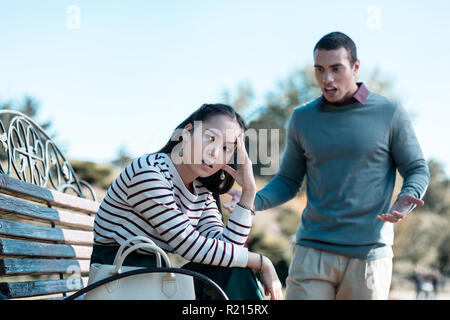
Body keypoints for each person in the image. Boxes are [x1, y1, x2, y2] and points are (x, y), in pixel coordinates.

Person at [225, 31, 430, 300]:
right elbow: (288, 181)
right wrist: (253, 199)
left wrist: (408, 196)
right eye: (319, 70)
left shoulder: (389, 113)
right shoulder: (302, 118)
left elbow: (416, 167)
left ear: (356, 67)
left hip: (369, 256)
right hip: (312, 251)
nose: (327, 79)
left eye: (336, 69)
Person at [90, 103, 283, 300]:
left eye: (226, 148)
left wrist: (248, 193)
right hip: (118, 284)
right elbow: (190, 245)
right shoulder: (150, 172)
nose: (215, 153)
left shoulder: (202, 191)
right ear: (188, 133)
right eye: (210, 138)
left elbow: (227, 251)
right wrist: (261, 262)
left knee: (234, 270)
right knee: (236, 269)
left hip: (152, 284)